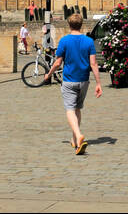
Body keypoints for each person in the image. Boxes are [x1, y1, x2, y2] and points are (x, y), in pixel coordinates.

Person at [43, 13, 103, 155]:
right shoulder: (88, 41)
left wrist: (48, 74)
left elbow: (57, 63)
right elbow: (93, 63)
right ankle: (75, 140)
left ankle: (79, 134)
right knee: (77, 109)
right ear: (81, 24)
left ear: (69, 25)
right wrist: (98, 83)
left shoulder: (64, 41)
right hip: (84, 81)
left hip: (69, 80)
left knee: (70, 109)